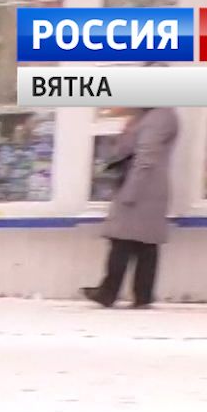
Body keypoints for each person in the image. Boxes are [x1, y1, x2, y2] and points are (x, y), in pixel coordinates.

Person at [85, 105, 179, 309]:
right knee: (142, 243)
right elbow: (125, 151)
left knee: (123, 241)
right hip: (145, 187)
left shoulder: (160, 117)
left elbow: (146, 157)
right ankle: (141, 294)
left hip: (144, 188)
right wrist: (128, 129)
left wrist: (130, 191)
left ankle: (110, 291)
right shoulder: (148, 116)